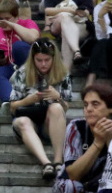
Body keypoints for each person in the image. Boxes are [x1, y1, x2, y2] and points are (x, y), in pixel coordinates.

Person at [9, 38, 72, 180]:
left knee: (56, 107)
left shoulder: (62, 73)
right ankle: (46, 163)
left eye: (47, 60)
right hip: (27, 118)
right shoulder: (22, 73)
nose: (43, 64)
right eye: (39, 60)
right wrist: (27, 100)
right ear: (33, 59)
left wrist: (58, 97)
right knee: (23, 121)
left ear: (53, 58)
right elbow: (12, 107)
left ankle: (58, 161)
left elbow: (65, 109)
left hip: (49, 122)